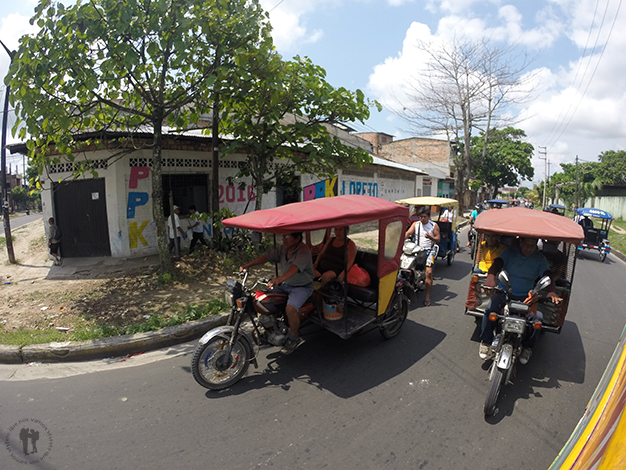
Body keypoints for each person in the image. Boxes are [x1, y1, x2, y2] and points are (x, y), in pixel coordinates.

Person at [478, 237, 562, 364]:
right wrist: (490, 279)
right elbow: (497, 264)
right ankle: (486, 341)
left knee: (537, 319)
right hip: (504, 292)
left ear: (536, 246)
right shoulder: (509, 253)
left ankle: (527, 347)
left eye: (532, 245)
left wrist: (551, 291)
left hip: (527, 297)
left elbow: (547, 274)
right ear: (520, 242)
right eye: (526, 244)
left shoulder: (539, 259)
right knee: (490, 311)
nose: (528, 248)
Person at [240, 232, 314, 354]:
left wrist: (279, 279)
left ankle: (294, 337)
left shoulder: (303, 251)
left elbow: (294, 268)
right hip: (286, 284)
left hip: (302, 286)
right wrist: (249, 265)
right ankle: (269, 326)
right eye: (283, 236)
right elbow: (267, 257)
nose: (284, 239)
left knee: (290, 309)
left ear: (297, 238)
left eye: (287, 237)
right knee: (263, 299)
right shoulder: (284, 249)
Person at [405, 207, 440, 306]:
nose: (422, 219)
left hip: (429, 251)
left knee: (428, 272)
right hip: (416, 249)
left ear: (429, 217)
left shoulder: (434, 226)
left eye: (424, 217)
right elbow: (408, 233)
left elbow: (438, 239)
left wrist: (431, 237)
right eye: (420, 217)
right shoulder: (415, 224)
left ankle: (427, 296)